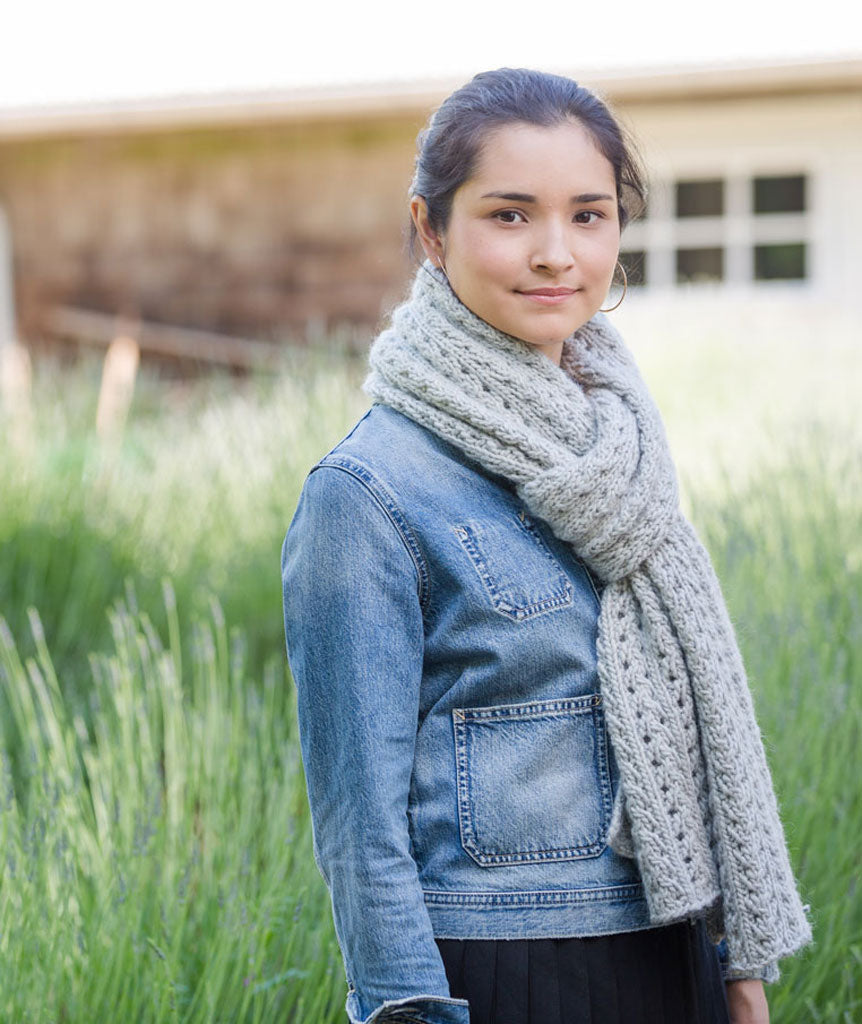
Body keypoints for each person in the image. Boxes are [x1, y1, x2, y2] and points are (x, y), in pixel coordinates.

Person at [281, 68, 812, 1024]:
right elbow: (360, 834)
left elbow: (695, 745)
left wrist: (739, 972)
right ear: (431, 229)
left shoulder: (622, 450)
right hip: (506, 972)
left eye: (589, 215)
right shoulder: (366, 493)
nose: (557, 254)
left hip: (675, 955)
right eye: (511, 215)